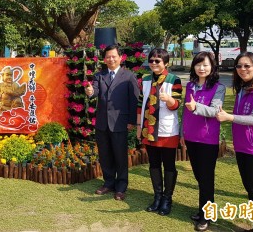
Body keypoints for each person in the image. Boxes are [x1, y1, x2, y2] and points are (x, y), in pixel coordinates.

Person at [216, 52, 253, 232]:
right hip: (243, 146)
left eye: (247, 66)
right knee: (250, 187)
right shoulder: (243, 89)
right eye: (239, 66)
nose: (242, 69)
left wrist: (228, 117)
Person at [85, 45, 139, 201]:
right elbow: (94, 91)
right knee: (105, 155)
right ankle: (108, 182)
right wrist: (90, 92)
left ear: (120, 57)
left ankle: (121, 186)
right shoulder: (99, 76)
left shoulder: (129, 76)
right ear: (104, 59)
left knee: (120, 156)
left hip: (120, 122)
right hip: (102, 122)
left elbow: (133, 100)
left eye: (114, 56)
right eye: (108, 56)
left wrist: (131, 121)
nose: (111, 59)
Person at [181, 51, 225, 231]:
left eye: (205, 65)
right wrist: (182, 133)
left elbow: (215, 111)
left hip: (207, 139)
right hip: (191, 137)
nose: (202, 68)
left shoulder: (219, 87)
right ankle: (206, 210)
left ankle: (205, 215)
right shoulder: (190, 86)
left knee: (206, 178)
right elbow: (184, 111)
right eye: (198, 64)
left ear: (212, 67)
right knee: (199, 176)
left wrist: (195, 107)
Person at [137, 48, 182, 216]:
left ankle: (167, 199)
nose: (154, 63)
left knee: (169, 165)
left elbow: (177, 105)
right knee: (154, 164)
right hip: (148, 129)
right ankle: (157, 197)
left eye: (158, 61)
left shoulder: (173, 80)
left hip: (167, 130)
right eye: (152, 60)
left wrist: (169, 100)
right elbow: (140, 104)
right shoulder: (145, 79)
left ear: (166, 63)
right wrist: (138, 127)